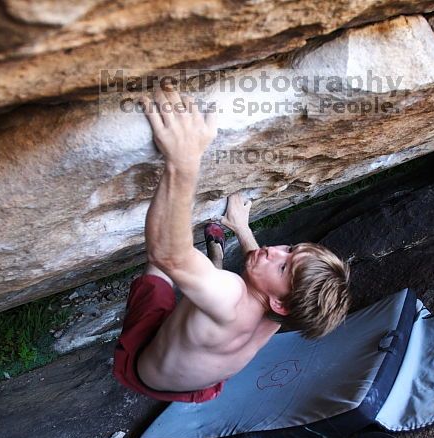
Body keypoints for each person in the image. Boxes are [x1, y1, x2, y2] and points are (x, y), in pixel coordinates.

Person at [113, 85, 351, 403]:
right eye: (291, 248)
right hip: (196, 384)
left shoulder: (230, 296)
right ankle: (216, 256)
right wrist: (242, 228)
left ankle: (211, 264)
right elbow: (266, 282)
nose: (274, 249)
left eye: (283, 264)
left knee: (160, 272)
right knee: (207, 290)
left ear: (281, 303)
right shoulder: (281, 316)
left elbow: (167, 254)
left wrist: (183, 161)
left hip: (146, 367)